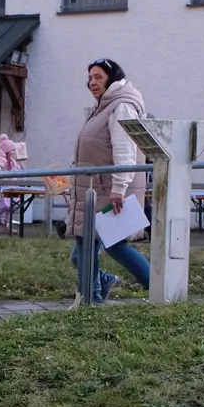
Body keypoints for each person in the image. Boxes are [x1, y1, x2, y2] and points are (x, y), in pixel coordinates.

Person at [68, 58, 151, 305]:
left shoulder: (121, 106)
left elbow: (125, 151)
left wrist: (119, 189)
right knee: (109, 246)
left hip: (107, 189)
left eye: (99, 77)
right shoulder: (104, 106)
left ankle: (91, 300)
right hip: (96, 188)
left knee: (85, 246)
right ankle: (109, 283)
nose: (92, 82)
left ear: (112, 78)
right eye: (90, 78)